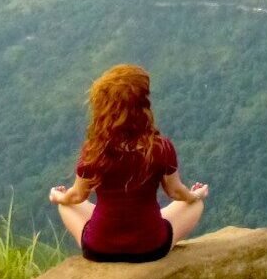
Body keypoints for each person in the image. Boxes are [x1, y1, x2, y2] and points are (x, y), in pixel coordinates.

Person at [49, 64, 208, 262]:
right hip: (150, 248)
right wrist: (195, 195)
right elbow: (176, 192)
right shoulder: (160, 147)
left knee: (66, 205)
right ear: (141, 107)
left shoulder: (94, 149)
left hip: (99, 249)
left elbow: (77, 196)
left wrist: (57, 196)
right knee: (195, 204)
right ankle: (149, 221)